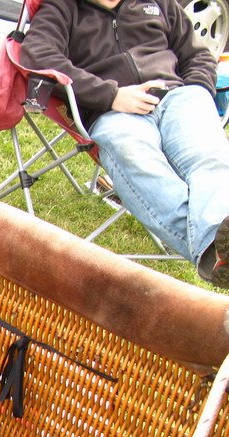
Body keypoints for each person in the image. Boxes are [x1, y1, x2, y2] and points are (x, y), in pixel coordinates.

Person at [21, 0, 229, 287]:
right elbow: (38, 56)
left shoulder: (159, 3)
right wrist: (111, 95)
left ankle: (215, 251)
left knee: (209, 157)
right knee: (140, 163)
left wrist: (197, 90)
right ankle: (216, 251)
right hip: (113, 111)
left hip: (177, 97)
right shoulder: (62, 8)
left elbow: (197, 54)